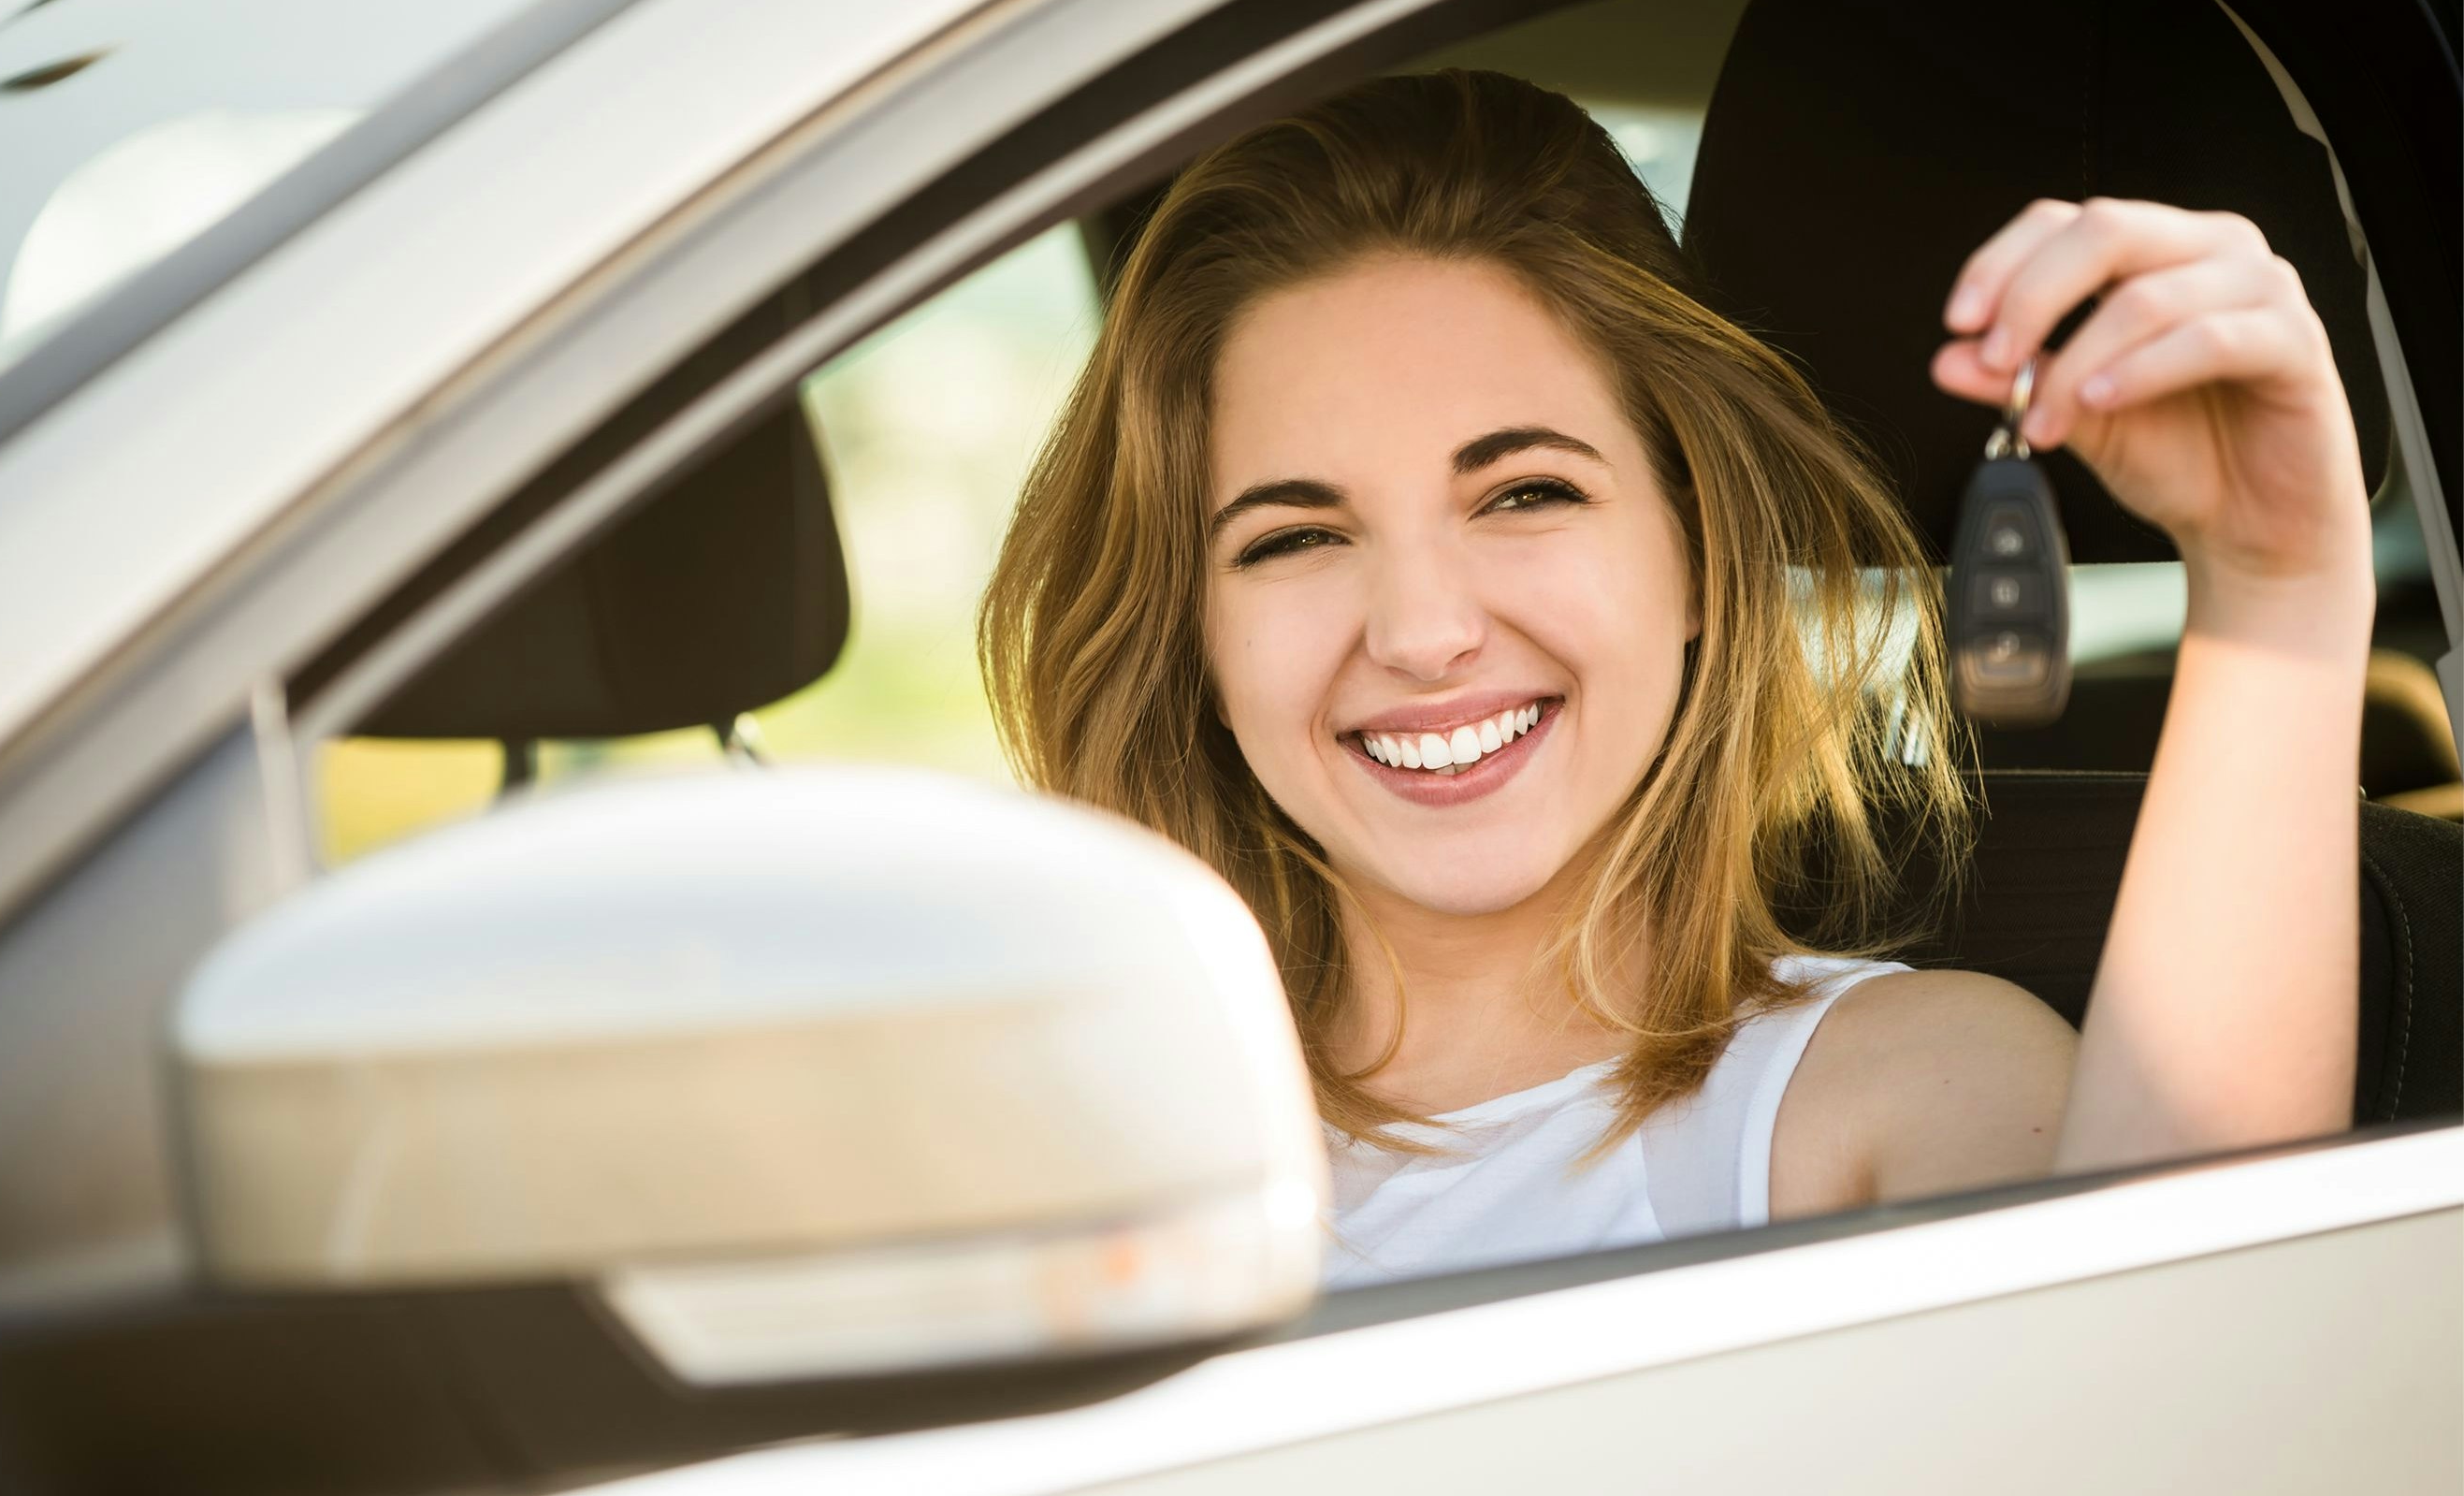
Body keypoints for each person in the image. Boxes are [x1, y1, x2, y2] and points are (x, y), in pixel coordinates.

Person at [978, 70, 2372, 1286]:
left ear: (1698, 551)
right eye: (1295, 536)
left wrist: (2281, 594)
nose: (1418, 631)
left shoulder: (1882, 1101)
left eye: (1526, 494)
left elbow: (2181, 1370)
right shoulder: (1029, 1135)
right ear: (1193, 634)